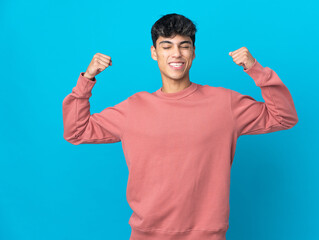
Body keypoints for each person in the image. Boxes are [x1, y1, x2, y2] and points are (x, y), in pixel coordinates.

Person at [62, 13, 298, 240]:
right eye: (166, 46)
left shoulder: (224, 103)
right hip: (146, 234)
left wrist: (255, 69)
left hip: (207, 235)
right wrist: (87, 79)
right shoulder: (133, 109)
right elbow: (76, 131)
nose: (176, 53)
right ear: (154, 53)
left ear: (193, 52)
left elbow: (284, 117)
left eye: (184, 46)